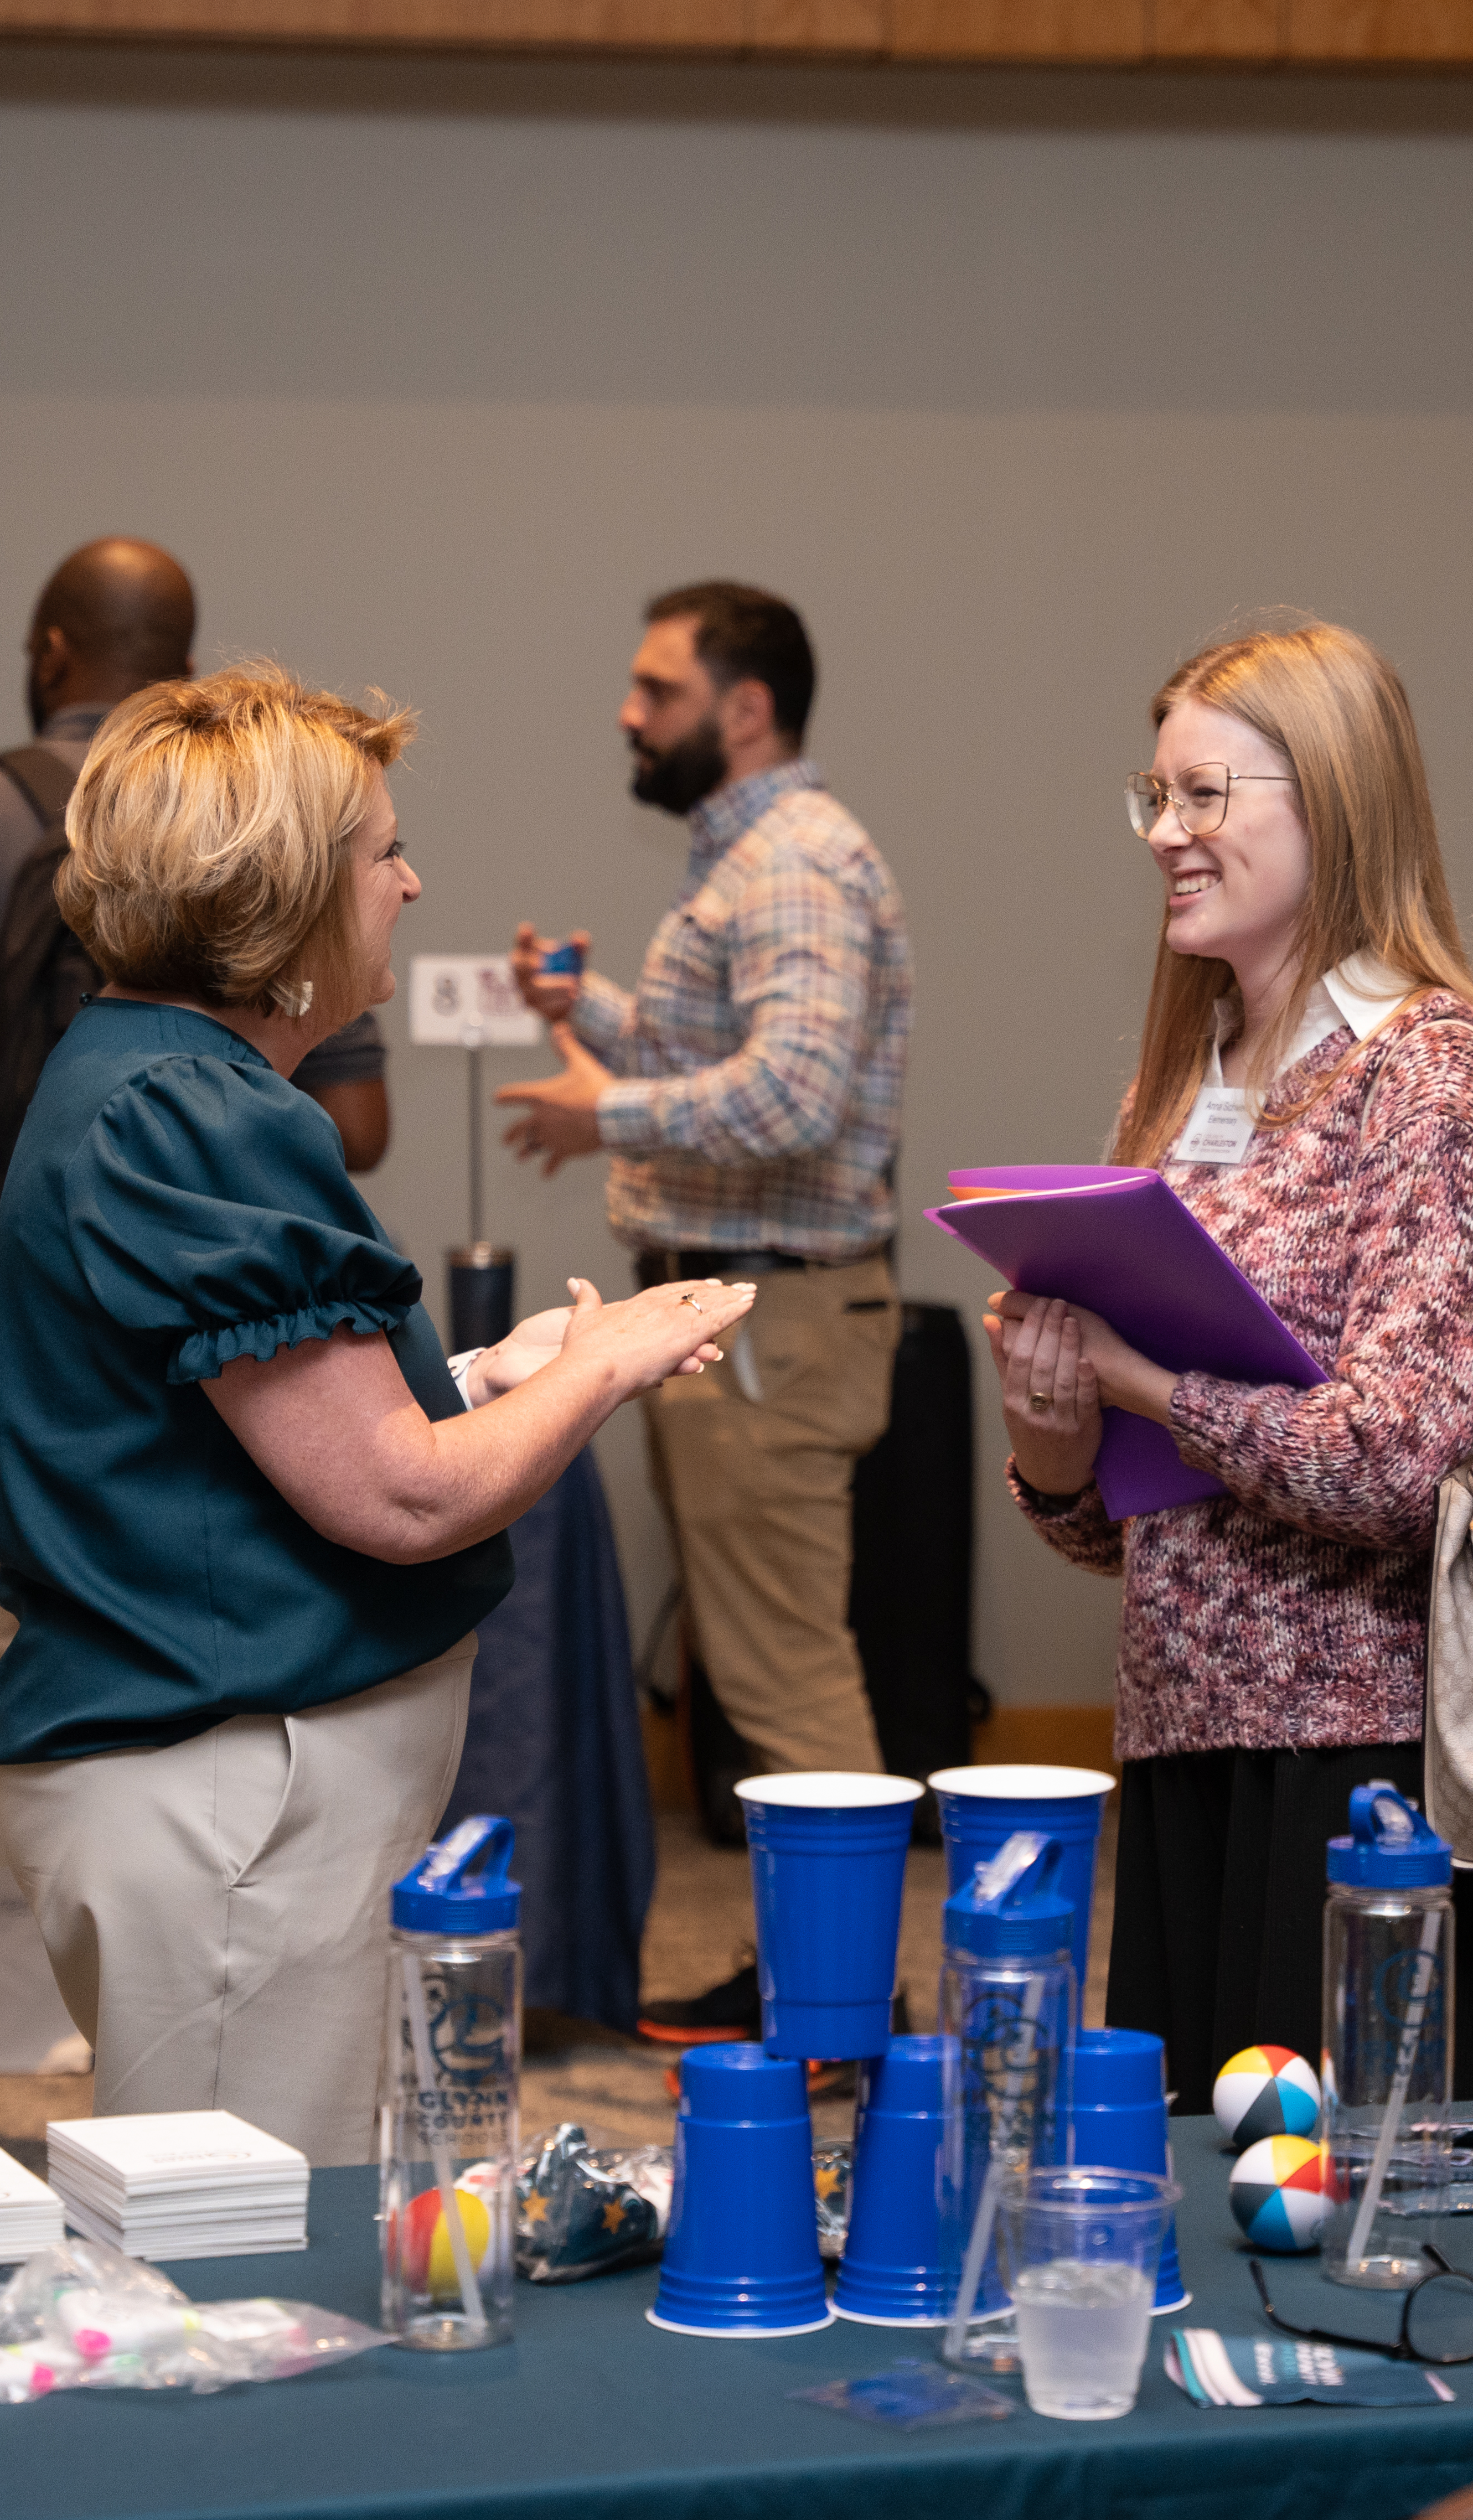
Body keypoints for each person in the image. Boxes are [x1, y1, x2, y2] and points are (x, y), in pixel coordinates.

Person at [0, 663, 753, 2161]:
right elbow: (395, 1498)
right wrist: (602, 1367)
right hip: (222, 1804)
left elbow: (244, 1442)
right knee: (232, 2277)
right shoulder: (192, 1112)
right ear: (276, 900)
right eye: (381, 852)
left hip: (220, 1793)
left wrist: (486, 1381)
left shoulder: (167, 1084)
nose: (411, 881)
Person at [0, 539, 396, 2162]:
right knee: (194, 1683)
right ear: (181, 656)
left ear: (45, 643)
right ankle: (169, 2040)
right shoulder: (277, 828)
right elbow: (363, 1117)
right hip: (225, 1350)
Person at [984, 614, 1473, 2115]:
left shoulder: (1433, 1070)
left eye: (1204, 796)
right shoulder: (1179, 1083)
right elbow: (1126, 1528)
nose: (1165, 835)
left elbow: (1401, 1454)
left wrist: (1137, 1381)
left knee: (1372, 2244)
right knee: (1196, 2217)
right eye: (1154, 798)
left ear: (1331, 797)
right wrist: (1054, 1432)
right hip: (1189, 1743)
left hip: (1371, 1760)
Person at [499, 580, 913, 2046]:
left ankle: (847, 2012)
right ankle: (814, 1982)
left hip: (773, 1332)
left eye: (655, 689)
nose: (629, 711)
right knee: (755, 1670)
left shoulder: (792, 865)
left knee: (788, 1677)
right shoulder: (753, 859)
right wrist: (594, 1011)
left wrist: (604, 1106)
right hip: (745, 1320)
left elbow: (792, 1100)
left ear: (743, 710)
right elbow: (741, 1059)